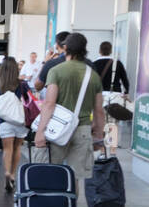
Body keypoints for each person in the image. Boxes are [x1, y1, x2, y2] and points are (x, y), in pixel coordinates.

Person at [32, 32, 106, 182]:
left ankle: (54, 204)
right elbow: (99, 109)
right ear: (84, 49)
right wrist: (98, 136)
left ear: (66, 48)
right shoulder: (93, 75)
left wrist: (40, 131)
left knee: (52, 173)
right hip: (83, 130)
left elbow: (49, 103)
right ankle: (70, 204)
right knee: (74, 178)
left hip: (58, 130)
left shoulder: (56, 71)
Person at [0, 56, 30, 192]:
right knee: (17, 147)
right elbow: (28, 104)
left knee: (7, 149)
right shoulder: (23, 85)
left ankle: (7, 172)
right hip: (20, 121)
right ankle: (13, 174)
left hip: (5, 122)